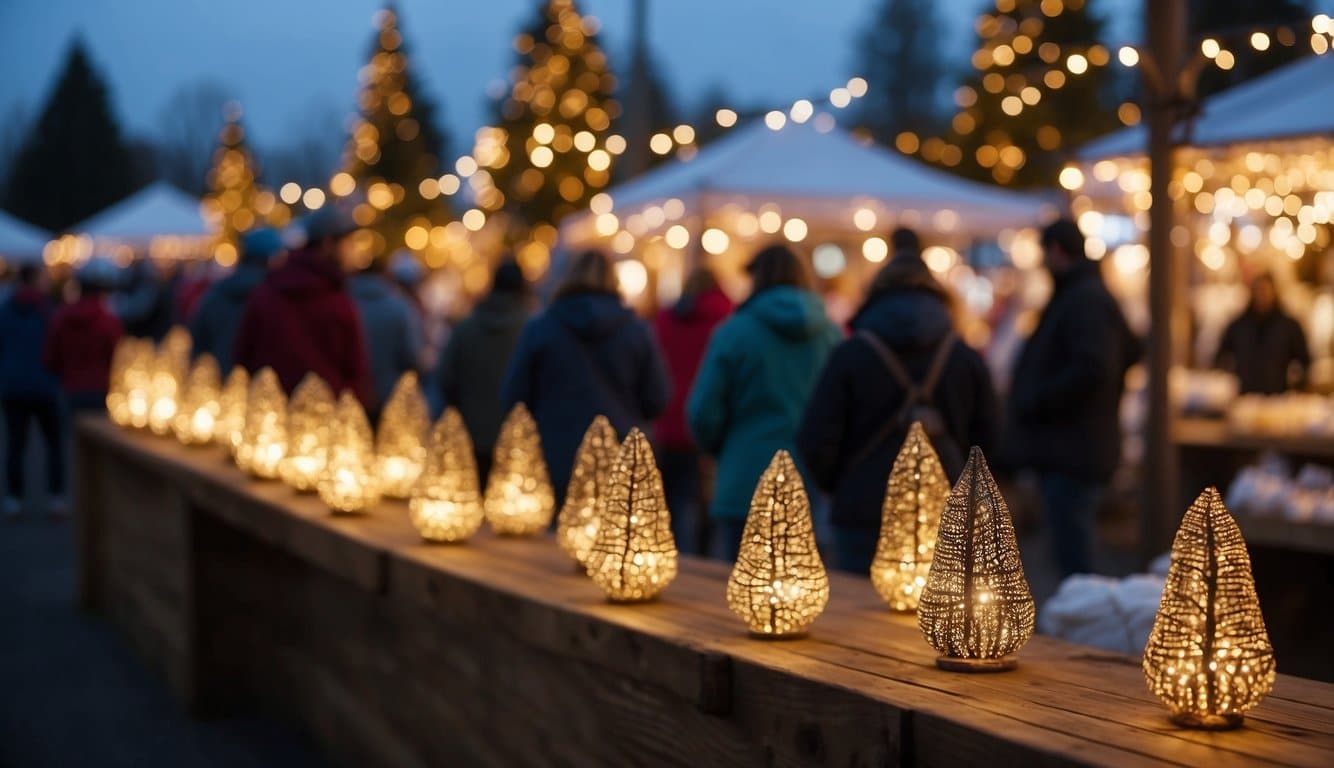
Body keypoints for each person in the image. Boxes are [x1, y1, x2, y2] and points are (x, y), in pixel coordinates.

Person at [797, 230, 997, 572]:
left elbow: (815, 437)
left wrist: (843, 485)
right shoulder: (963, 357)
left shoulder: (852, 354)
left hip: (864, 506)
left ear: (875, 298)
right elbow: (990, 436)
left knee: (856, 617)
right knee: (939, 619)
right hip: (946, 507)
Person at [687, 244, 842, 561]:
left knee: (745, 589)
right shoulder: (830, 335)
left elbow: (703, 412)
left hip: (744, 476)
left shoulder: (734, 332)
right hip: (808, 482)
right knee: (801, 594)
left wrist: (721, 449)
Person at [1007, 218, 1140, 578]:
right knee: (1070, 549)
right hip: (1074, 445)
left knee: (1075, 558)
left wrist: (1037, 399)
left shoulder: (1084, 298)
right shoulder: (1082, 294)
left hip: (1074, 448)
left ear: (1055, 251)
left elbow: (1094, 368)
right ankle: (1078, 620)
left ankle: (1080, 628)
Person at [501, 249, 668, 502]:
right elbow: (657, 397)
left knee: (556, 533)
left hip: (554, 451)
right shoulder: (636, 331)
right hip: (619, 452)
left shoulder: (542, 327)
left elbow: (514, 395)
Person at [232, 207, 373, 405]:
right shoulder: (337, 300)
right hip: (324, 418)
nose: (355, 252)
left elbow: (243, 359)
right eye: (349, 244)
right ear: (328, 244)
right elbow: (355, 372)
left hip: (269, 416)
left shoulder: (268, 290)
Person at [652, 266, 733, 555]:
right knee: (704, 505)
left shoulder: (665, 319)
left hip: (669, 422)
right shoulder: (725, 320)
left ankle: (667, 555)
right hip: (707, 426)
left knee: (669, 502)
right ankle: (699, 559)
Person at [437, 259, 530, 482]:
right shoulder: (531, 330)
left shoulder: (466, 327)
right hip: (516, 439)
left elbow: (445, 377)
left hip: (470, 433)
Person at [0, 264, 64, 517]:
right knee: (53, 445)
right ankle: (56, 497)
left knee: (16, 444)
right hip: (45, 386)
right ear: (35, 279)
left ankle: (14, 498)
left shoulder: (5, 310)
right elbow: (59, 349)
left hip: (13, 386)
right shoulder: (48, 311)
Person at [188, 227, 283, 373]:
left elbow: (197, 345)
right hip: (266, 389)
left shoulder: (215, 294)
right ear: (270, 259)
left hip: (218, 385)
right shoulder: (276, 297)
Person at [348, 253, 424, 420]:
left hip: (351, 396)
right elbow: (412, 355)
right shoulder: (400, 307)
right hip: (389, 395)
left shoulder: (346, 302)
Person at [44, 257, 124, 412]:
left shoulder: (62, 316)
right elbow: (117, 357)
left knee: (70, 434)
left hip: (69, 388)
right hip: (101, 389)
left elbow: (50, 356)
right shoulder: (108, 320)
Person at [1214, 273, 1310, 395]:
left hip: (1278, 397)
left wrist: (1297, 385)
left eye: (1265, 290)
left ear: (1274, 292)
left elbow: (1304, 361)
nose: (1262, 294)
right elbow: (1220, 358)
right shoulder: (1238, 325)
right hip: (1245, 396)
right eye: (1258, 290)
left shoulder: (1289, 326)